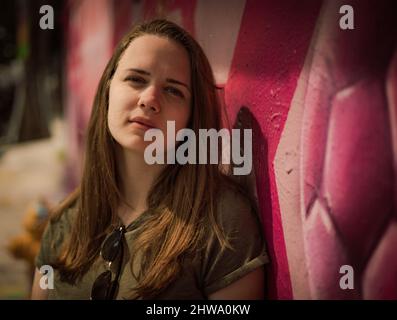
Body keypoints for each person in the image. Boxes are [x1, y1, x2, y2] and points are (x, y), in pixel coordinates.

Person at [31, 19, 268, 300]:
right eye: (136, 79)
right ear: (108, 91)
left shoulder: (222, 223)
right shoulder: (64, 223)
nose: (149, 99)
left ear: (193, 118)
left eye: (173, 90)